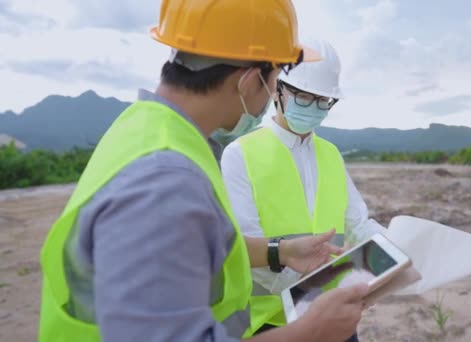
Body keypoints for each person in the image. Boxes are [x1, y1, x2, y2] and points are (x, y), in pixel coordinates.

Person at [37, 1, 368, 341]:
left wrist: (279, 252)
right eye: (275, 80)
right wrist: (311, 332)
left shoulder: (149, 131)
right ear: (251, 81)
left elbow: (195, 247)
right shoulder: (164, 180)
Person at [221, 39, 385, 338]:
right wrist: (303, 283)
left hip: (333, 312)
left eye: (323, 100)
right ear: (277, 89)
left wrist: (393, 254)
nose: (314, 108)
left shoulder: (331, 154)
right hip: (270, 323)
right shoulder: (240, 153)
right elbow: (245, 245)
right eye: (303, 97)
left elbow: (358, 224)